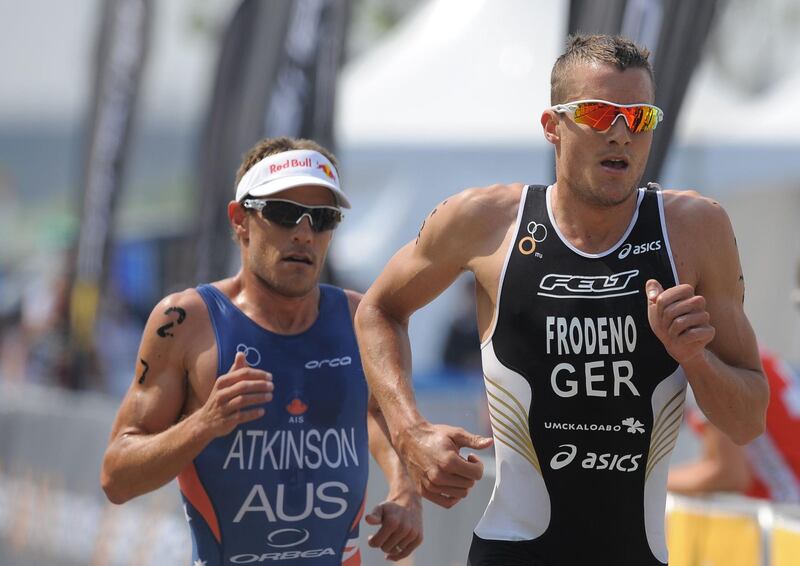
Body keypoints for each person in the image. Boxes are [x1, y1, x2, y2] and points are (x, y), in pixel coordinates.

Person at [354, 34, 769, 566]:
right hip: (514, 551)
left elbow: (746, 423)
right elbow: (379, 310)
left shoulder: (693, 228)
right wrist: (410, 432)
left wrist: (693, 356)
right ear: (553, 126)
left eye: (639, 118)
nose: (621, 134)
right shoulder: (486, 222)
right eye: (599, 114)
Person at [101, 137, 422, 565]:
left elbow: (379, 414)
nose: (304, 234)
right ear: (240, 220)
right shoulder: (184, 321)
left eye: (322, 218)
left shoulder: (362, 318)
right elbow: (116, 476)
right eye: (285, 213)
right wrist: (204, 423)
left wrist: (406, 491)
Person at [669, 347, 800, 503]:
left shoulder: (698, 364)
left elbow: (729, 474)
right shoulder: (729, 346)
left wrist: (643, 484)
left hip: (790, 508)